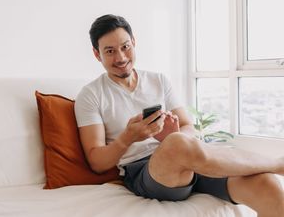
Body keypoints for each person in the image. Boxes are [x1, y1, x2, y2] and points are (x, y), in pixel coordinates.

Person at [74, 14, 284, 216]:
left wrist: (174, 136)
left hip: (190, 158)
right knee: (178, 144)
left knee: (268, 186)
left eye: (125, 47)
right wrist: (129, 137)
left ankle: (273, 169)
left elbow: (187, 126)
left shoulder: (158, 80)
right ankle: (277, 164)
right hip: (145, 172)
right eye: (109, 51)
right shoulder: (91, 94)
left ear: (134, 42)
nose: (120, 57)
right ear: (96, 54)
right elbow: (97, 162)